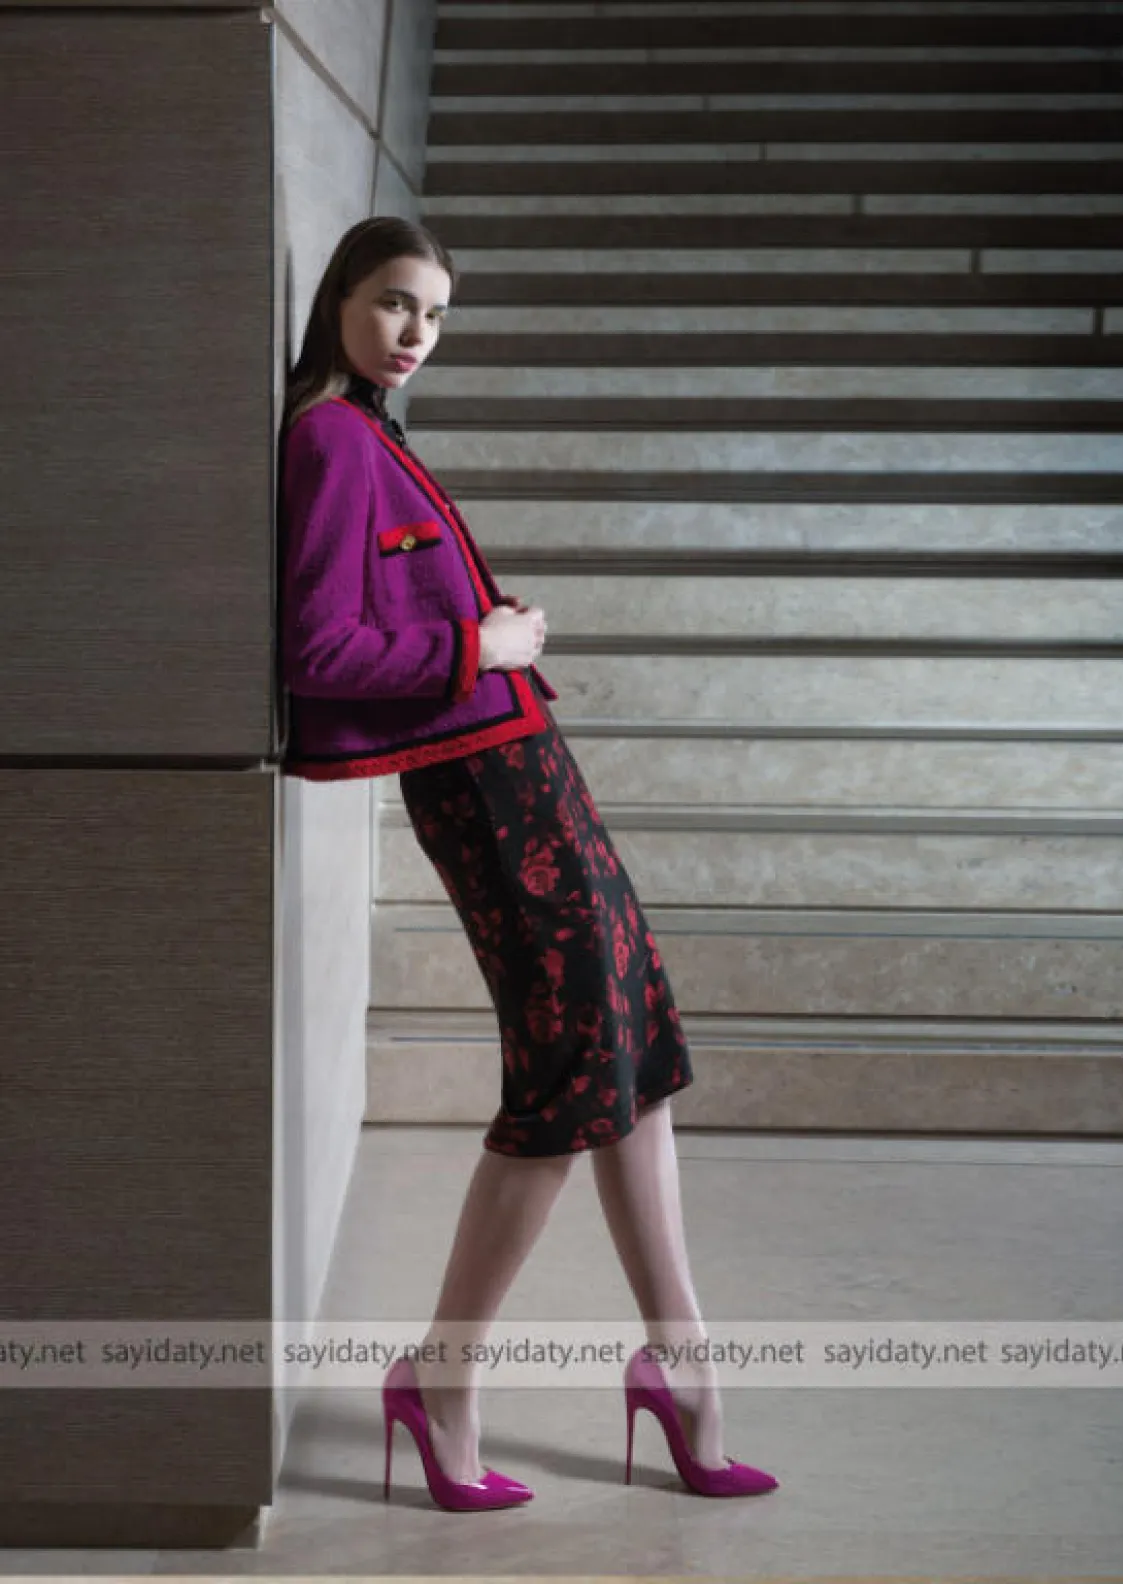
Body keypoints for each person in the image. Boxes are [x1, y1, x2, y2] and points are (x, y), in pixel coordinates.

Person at [278, 216, 778, 1512]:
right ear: (341, 298)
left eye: (435, 316)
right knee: (569, 1078)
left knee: (637, 1051)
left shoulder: (374, 433)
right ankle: (442, 1380)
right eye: (396, 303)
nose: (414, 334)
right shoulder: (329, 439)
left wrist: (492, 634)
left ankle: (682, 1363)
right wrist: (481, 647)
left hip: (532, 775)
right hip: (487, 795)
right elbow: (317, 651)